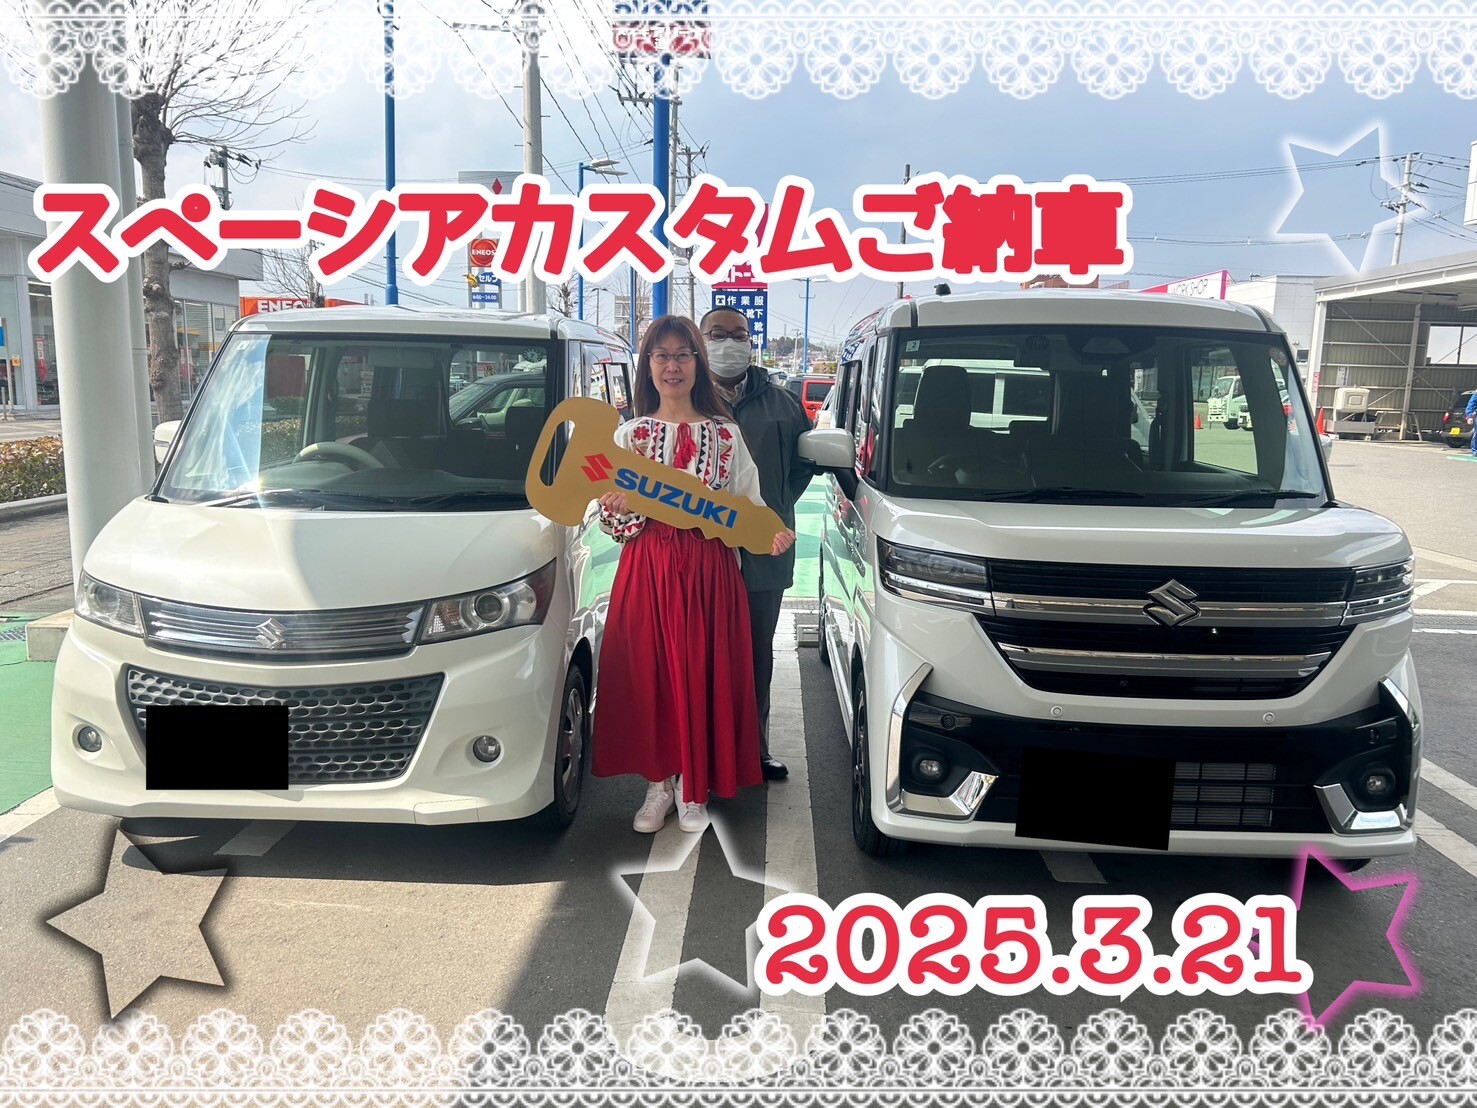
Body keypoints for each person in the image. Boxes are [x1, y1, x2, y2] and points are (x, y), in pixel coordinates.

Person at [591, 315, 797, 834]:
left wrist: (769, 534)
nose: (672, 366)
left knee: (702, 669)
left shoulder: (725, 435)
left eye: (683, 355)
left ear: (697, 364)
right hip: (648, 565)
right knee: (653, 672)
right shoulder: (629, 435)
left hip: (709, 567)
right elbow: (612, 524)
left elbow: (749, 501)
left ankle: (693, 785)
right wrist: (615, 507)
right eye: (661, 355)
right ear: (648, 365)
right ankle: (659, 783)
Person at [699, 306, 818, 781]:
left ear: (752, 341)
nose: (729, 343)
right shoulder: (685, 398)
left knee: (755, 653)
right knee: (699, 654)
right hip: (700, 553)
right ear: (701, 340)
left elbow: (801, 468)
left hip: (764, 553)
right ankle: (699, 753)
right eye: (717, 334)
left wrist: (773, 510)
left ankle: (753, 748)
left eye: (739, 334)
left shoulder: (783, 404)